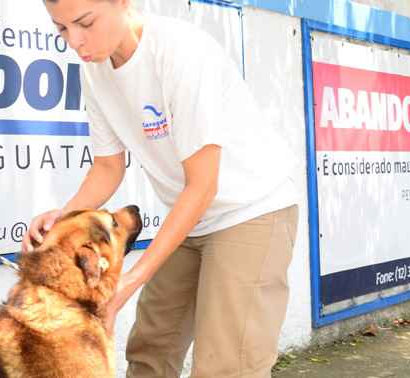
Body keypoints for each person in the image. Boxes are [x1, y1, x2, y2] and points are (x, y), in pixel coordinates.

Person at [26, 0, 299, 376]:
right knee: (152, 346)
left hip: (249, 209)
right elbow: (108, 167)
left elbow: (203, 185)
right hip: (190, 215)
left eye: (85, 23)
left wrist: (130, 279)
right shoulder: (94, 72)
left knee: (227, 364)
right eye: (61, 29)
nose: (74, 41)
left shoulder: (181, 53)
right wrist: (62, 220)